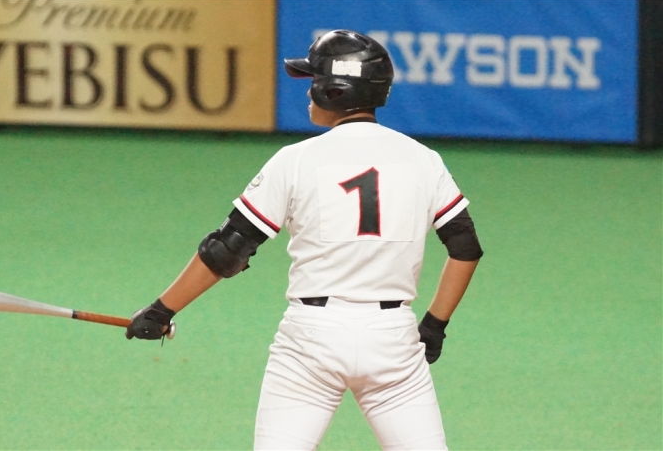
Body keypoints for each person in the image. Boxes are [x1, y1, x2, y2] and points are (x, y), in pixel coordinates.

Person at [126, 29, 483, 450]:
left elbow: (226, 252)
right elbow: (465, 249)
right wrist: (435, 324)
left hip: (312, 340)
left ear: (335, 90)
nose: (307, 91)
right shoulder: (424, 160)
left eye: (313, 80)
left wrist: (162, 309)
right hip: (393, 339)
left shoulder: (296, 160)